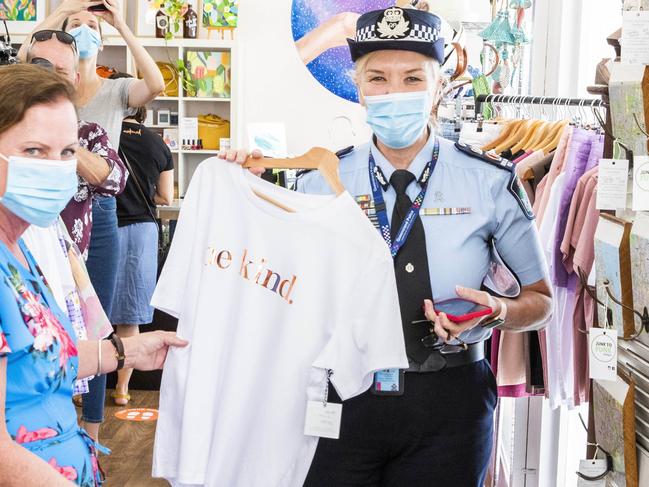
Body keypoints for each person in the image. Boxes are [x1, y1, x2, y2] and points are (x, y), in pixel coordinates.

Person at [220, 6, 552, 487]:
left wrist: (498, 313)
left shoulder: (490, 182)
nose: (394, 92)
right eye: (378, 78)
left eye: (413, 77)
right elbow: (274, 287)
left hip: (449, 406)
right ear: (358, 89)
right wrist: (241, 186)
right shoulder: (317, 182)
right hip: (339, 401)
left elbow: (541, 302)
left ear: (438, 87)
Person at [0, 64, 187, 486]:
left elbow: (39, 363)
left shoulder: (23, 249)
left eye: (67, 152)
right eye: (34, 151)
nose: (55, 167)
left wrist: (126, 353)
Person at [20, 0, 164, 442]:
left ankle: (89, 429)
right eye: (74, 27)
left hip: (88, 216)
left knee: (90, 319)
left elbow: (112, 174)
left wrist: (64, 145)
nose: (83, 31)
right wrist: (62, 12)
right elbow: (27, 59)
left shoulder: (107, 92)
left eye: (89, 27)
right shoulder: (16, 105)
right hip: (29, 222)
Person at [24, 28, 128, 442]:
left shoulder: (89, 136)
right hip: (17, 278)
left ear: (74, 80)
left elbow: (113, 177)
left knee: (80, 351)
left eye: (58, 71)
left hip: (68, 273)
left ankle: (86, 440)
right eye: (38, 67)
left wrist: (64, 141)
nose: (47, 78)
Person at [109, 72, 175, 405]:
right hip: (142, 232)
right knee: (129, 316)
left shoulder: (99, 134)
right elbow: (165, 196)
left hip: (103, 227)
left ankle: (86, 390)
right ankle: (121, 389)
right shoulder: (157, 143)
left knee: (94, 311)